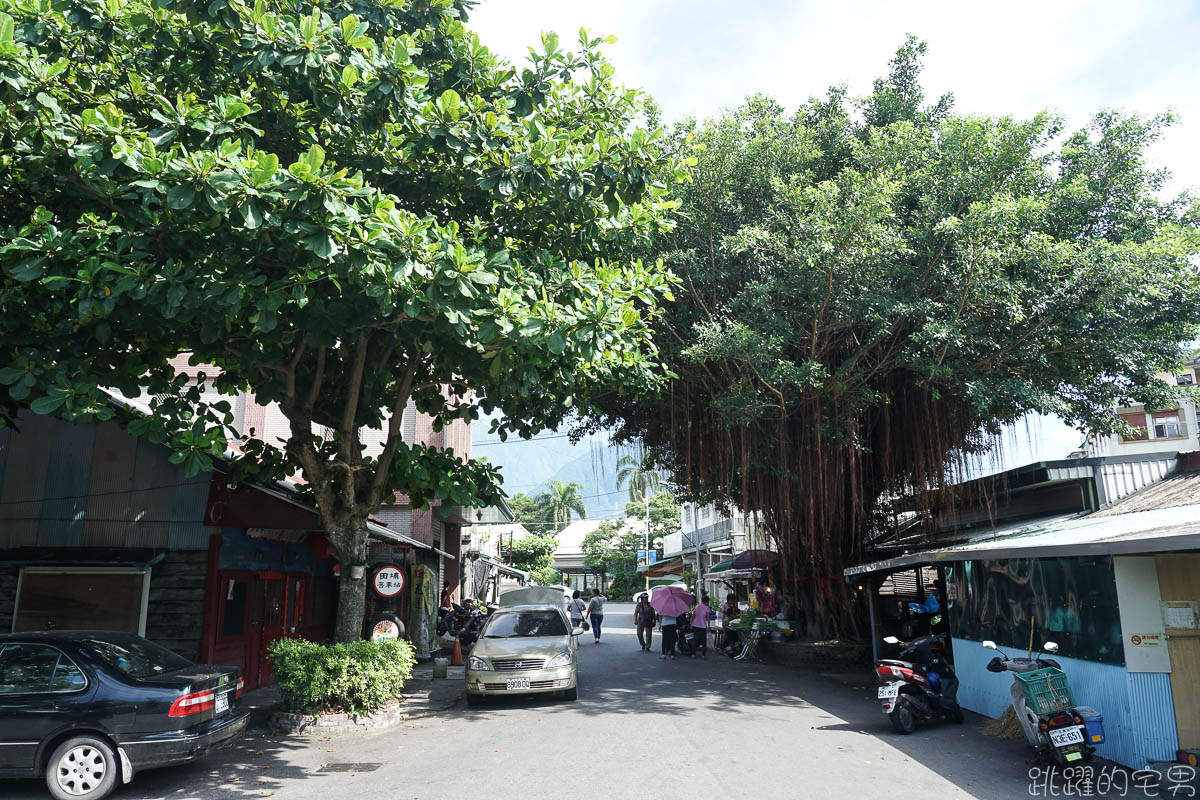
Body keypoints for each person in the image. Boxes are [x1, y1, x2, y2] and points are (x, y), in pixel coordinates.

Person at [690, 594, 711, 658]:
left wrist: (691, 623)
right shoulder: (707, 608)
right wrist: (708, 626)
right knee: (703, 641)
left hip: (695, 625)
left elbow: (693, 616)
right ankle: (703, 655)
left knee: (695, 640)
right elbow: (708, 618)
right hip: (702, 626)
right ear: (707, 601)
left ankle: (693, 654)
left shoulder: (697, 606)